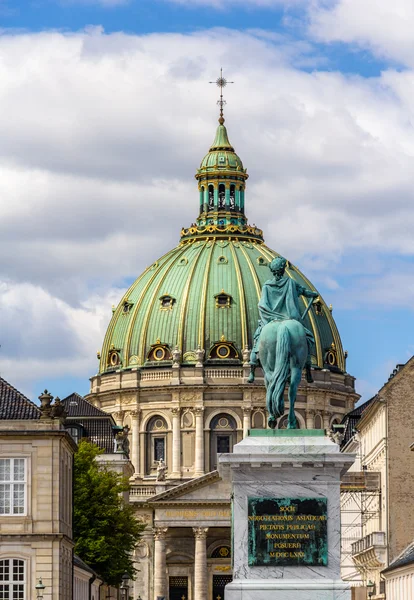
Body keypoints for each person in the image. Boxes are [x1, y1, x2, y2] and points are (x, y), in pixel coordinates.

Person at [249, 256, 318, 383]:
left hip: (270, 318)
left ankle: (252, 368)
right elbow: (305, 292)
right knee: (308, 339)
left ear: (272, 270)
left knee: (258, 339)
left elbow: (262, 305)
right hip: (290, 317)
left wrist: (269, 315)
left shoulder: (267, 286)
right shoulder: (291, 282)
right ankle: (308, 367)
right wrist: (313, 294)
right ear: (283, 270)